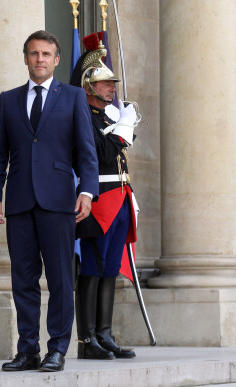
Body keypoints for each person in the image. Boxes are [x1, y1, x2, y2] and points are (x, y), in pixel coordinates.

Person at [0, 30, 99, 372]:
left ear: (56, 59)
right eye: (34, 54)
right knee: (23, 278)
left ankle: (58, 348)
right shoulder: (8, 99)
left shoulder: (75, 97)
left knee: (62, 278)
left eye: (46, 54)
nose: (39, 59)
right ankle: (27, 349)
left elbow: (86, 152)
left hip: (59, 201)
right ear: (25, 58)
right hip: (18, 201)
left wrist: (87, 191)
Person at [69, 33, 138, 360]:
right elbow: (99, 153)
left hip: (119, 197)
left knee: (110, 266)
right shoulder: (82, 117)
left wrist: (120, 125)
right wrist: (122, 130)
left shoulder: (106, 117)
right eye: (106, 83)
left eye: (112, 83)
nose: (112, 88)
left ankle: (104, 333)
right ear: (88, 88)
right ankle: (87, 340)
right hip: (97, 199)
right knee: (92, 267)